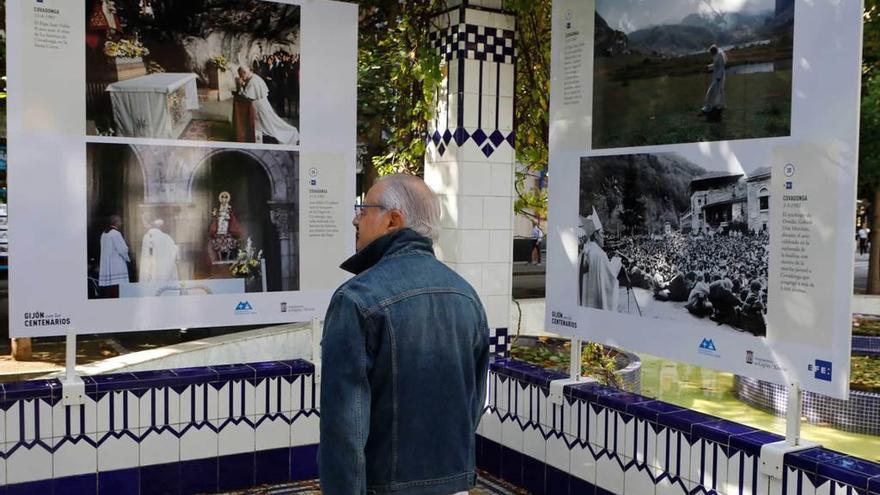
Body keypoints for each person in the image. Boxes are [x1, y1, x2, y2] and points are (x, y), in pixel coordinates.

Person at [319, 174, 490, 495]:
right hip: (454, 484)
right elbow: (474, 401)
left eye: (364, 209)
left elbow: (344, 426)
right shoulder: (467, 296)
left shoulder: (356, 298)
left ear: (393, 220)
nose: (356, 218)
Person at [236, 66, 299, 145]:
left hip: (260, 107)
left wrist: (240, 85)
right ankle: (289, 133)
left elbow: (246, 95)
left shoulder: (253, 81)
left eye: (241, 75)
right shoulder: (254, 77)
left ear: (244, 72)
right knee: (271, 123)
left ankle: (290, 134)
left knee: (271, 125)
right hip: (261, 104)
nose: (241, 77)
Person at [578, 207, 623, 310]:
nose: (604, 237)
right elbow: (609, 279)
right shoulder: (599, 254)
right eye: (602, 233)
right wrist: (616, 262)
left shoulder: (584, 253)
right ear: (596, 235)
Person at [98, 214, 131, 298]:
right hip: (116, 265)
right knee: (117, 287)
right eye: (120, 221)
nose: (121, 223)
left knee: (110, 288)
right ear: (116, 222)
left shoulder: (104, 234)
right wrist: (128, 257)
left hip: (108, 264)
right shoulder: (115, 233)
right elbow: (122, 249)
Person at [701, 45, 727, 117]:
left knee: (718, 91)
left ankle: (718, 106)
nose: (711, 54)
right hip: (716, 76)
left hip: (719, 77)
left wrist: (718, 77)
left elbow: (721, 67)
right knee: (714, 90)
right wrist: (709, 67)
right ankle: (716, 105)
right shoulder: (715, 55)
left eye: (711, 53)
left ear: (714, 51)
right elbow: (715, 65)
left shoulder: (720, 56)